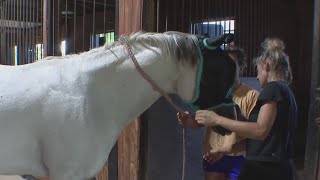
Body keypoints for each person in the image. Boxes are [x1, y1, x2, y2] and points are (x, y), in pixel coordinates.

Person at [194, 38, 297, 180]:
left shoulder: (273, 89)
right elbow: (265, 139)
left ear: (266, 66)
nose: (256, 76)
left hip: (265, 169)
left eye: (258, 70)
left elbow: (260, 130)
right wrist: (226, 150)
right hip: (276, 166)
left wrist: (217, 119)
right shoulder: (286, 91)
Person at [178, 42, 259, 180]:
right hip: (212, 154)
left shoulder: (251, 96)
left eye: (231, 65)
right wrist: (186, 120)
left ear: (242, 68)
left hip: (239, 156)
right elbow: (198, 122)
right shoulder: (213, 93)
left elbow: (256, 132)